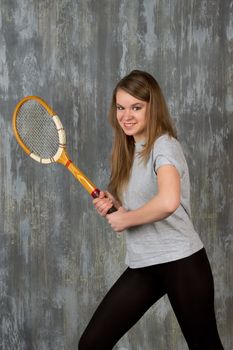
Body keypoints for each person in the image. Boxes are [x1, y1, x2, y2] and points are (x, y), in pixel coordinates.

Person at [78, 70, 224, 350]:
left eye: (136, 107)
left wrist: (126, 218)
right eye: (121, 107)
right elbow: (146, 205)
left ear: (152, 107)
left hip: (182, 262)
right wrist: (117, 206)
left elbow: (168, 201)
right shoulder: (130, 150)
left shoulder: (164, 145)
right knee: (92, 344)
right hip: (145, 266)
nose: (126, 115)